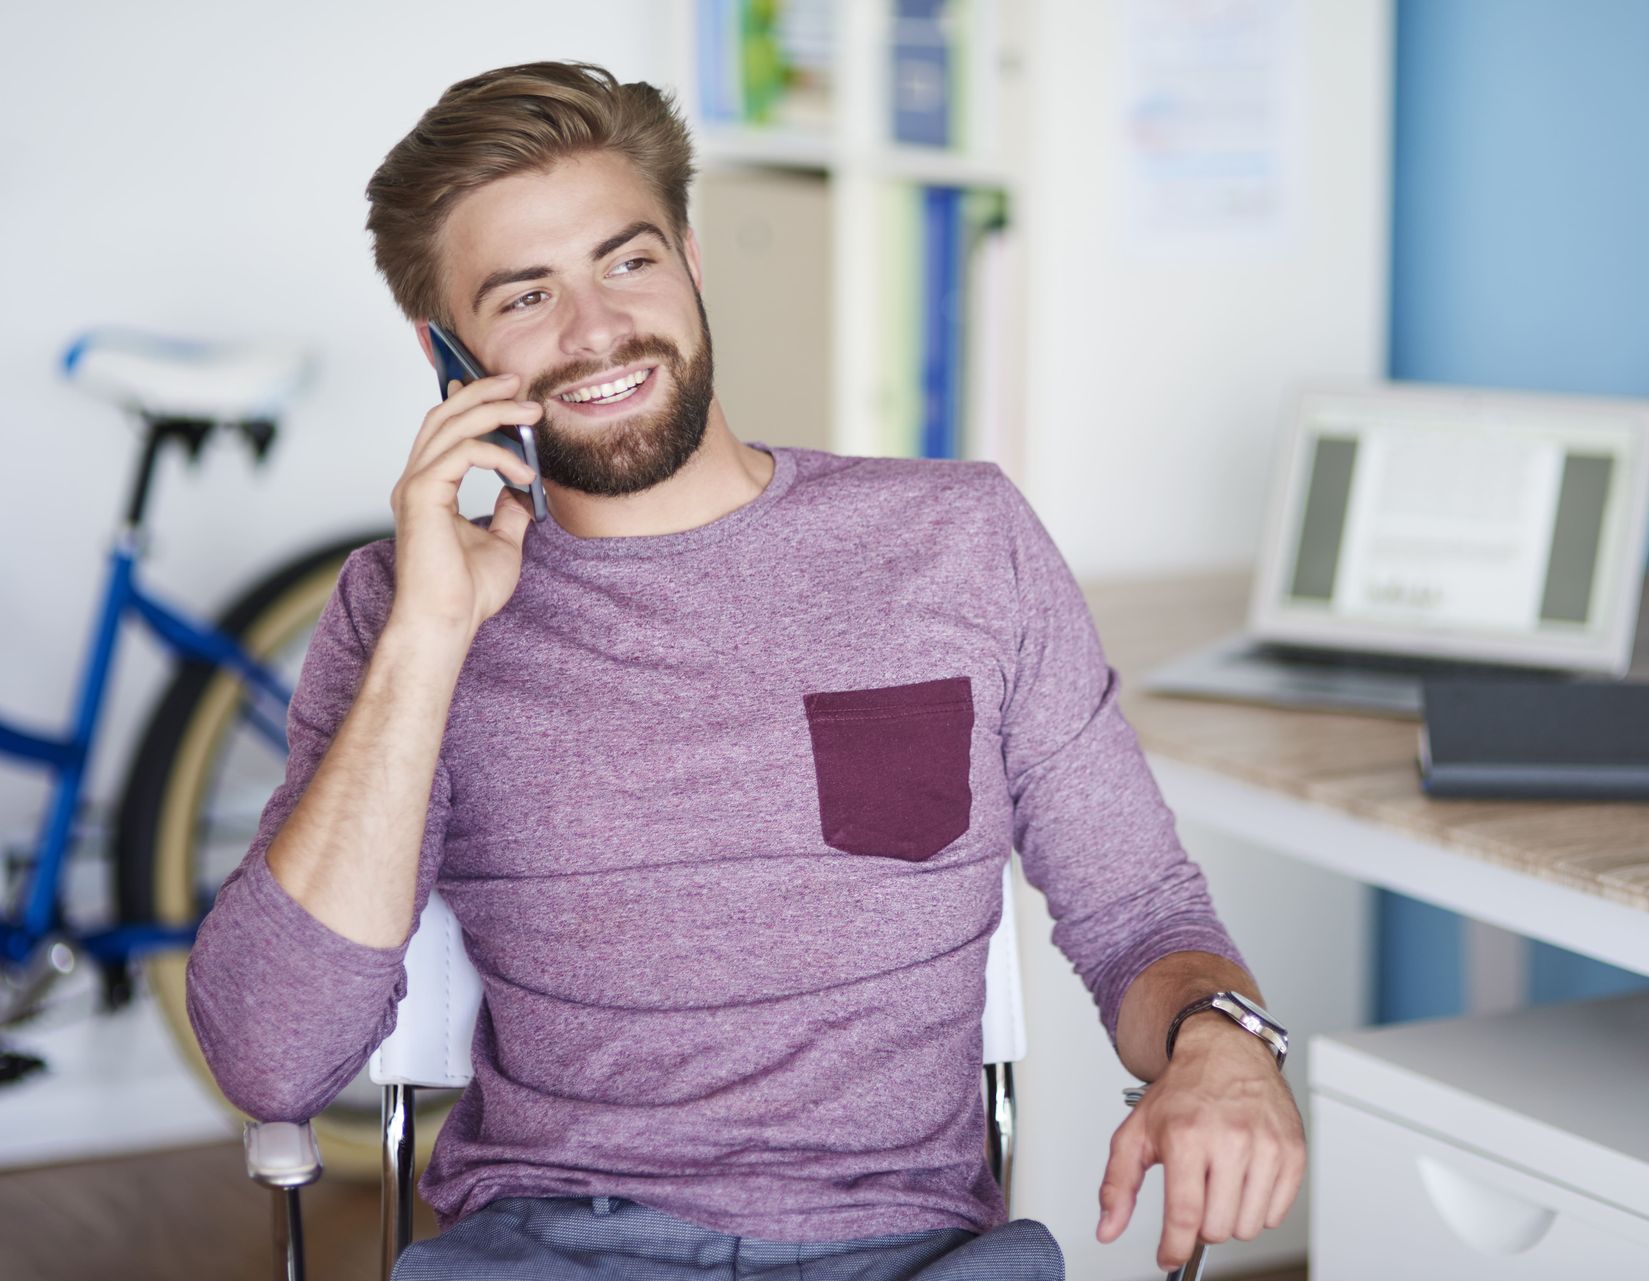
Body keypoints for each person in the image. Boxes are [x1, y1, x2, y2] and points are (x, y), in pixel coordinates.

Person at [185, 60, 1305, 1281]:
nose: (598, 330)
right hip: (560, 1249)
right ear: (445, 352)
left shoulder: (960, 543)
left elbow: (1140, 913)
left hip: (908, 1250)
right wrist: (427, 639)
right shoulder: (401, 615)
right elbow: (271, 1059)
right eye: (525, 298)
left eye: (629, 261)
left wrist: (1221, 1044)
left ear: (692, 260)